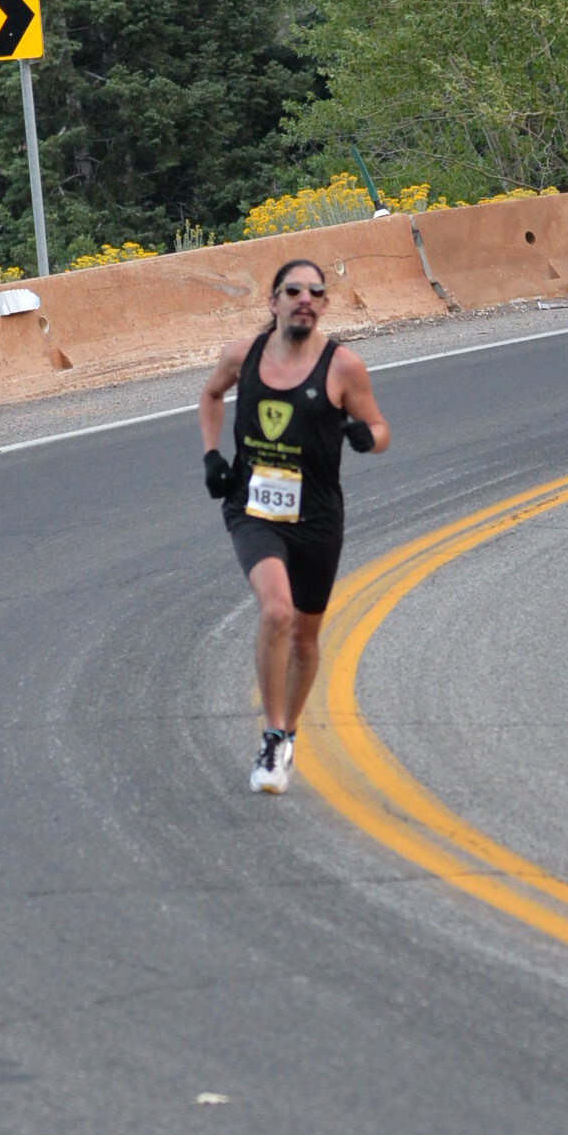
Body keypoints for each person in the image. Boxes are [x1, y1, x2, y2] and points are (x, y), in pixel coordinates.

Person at [199, 257, 391, 794]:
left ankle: (288, 733)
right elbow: (210, 395)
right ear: (274, 301)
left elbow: (380, 428)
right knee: (277, 611)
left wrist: (366, 439)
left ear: (324, 305)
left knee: (305, 640)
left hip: (317, 517)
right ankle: (271, 734)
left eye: (315, 292)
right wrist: (211, 456)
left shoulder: (343, 367)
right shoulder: (242, 356)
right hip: (252, 507)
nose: (304, 298)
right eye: (293, 290)